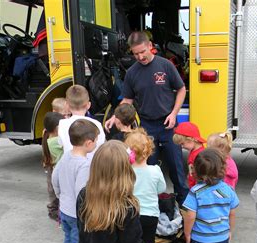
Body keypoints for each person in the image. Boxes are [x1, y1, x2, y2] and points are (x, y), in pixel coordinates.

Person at [104, 31, 188, 205]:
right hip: (147, 127)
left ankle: (184, 206)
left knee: (177, 169)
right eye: (136, 54)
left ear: (150, 46)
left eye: (142, 51)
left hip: (168, 124)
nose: (140, 56)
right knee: (147, 167)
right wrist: (115, 116)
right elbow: (127, 99)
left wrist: (174, 114)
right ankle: (151, 206)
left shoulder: (165, 66)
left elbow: (181, 89)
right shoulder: (132, 73)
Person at [52, 119, 99, 243]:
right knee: (78, 242)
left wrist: (59, 196)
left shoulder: (65, 155)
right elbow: (82, 192)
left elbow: (55, 177)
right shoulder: (84, 165)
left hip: (64, 208)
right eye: (96, 141)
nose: (96, 144)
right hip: (77, 212)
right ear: (88, 143)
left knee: (68, 238)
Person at [125, 128, 167, 243]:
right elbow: (161, 189)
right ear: (149, 152)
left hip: (130, 213)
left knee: (131, 241)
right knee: (149, 242)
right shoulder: (155, 170)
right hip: (150, 214)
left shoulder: (126, 171)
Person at [58, 85, 105, 157]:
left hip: (71, 165)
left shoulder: (62, 124)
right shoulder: (96, 124)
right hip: (92, 166)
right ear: (88, 105)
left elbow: (61, 144)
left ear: (67, 105)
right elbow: (101, 145)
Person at [42, 112, 64, 220]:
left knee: (55, 193)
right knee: (58, 195)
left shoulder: (48, 138)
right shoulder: (57, 141)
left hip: (55, 170)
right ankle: (56, 213)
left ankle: (55, 211)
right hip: (60, 172)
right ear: (56, 129)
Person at [173, 122, 206, 188]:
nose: (182, 146)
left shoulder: (200, 155)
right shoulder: (194, 151)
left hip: (198, 187)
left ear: (191, 139)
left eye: (182, 143)